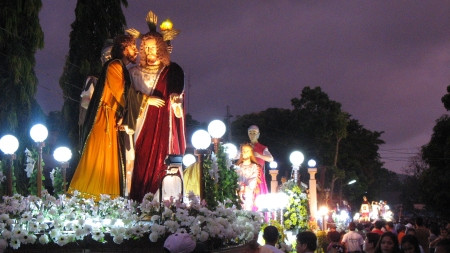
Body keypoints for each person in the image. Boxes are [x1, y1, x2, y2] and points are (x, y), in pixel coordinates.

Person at [68, 34, 138, 201]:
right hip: (103, 121)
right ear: (124, 48)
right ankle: (86, 196)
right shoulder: (114, 66)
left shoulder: (122, 68)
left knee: (109, 163)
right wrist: (145, 99)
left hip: (112, 121)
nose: (136, 51)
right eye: (133, 47)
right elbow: (122, 95)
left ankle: (106, 199)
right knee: (97, 159)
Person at [123, 26, 186, 202]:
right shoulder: (133, 73)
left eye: (154, 47)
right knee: (140, 160)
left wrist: (176, 102)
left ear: (161, 48)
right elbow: (126, 96)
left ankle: (166, 201)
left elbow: (176, 93)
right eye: (147, 47)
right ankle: (140, 200)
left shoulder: (170, 71)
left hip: (163, 126)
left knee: (163, 160)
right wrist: (146, 100)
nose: (150, 51)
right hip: (140, 123)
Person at [247, 125, 273, 194]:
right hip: (246, 174)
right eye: (250, 133)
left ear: (258, 134)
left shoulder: (262, 148)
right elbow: (235, 156)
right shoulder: (245, 147)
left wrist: (259, 155)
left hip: (257, 175)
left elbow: (271, 159)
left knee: (258, 193)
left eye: (254, 133)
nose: (252, 135)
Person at [235, 143, 260, 211]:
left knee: (247, 207)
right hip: (240, 191)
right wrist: (241, 186)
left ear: (251, 152)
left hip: (248, 192)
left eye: (247, 151)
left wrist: (246, 187)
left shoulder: (254, 166)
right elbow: (237, 178)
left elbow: (253, 178)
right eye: (243, 151)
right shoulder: (239, 166)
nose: (245, 152)